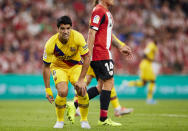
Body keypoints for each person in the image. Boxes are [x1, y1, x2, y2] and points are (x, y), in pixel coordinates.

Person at [77, 0, 132, 126]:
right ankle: (103, 119)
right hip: (100, 53)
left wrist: (120, 46)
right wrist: (87, 54)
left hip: (103, 53)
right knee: (108, 83)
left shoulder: (106, 12)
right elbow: (91, 33)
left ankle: (74, 104)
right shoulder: (99, 10)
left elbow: (108, 34)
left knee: (101, 86)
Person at [66, 35, 133, 122]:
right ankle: (76, 105)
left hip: (95, 56)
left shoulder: (102, 24)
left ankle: (75, 105)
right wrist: (121, 45)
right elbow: (105, 35)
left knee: (101, 85)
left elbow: (107, 36)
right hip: (99, 57)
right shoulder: (101, 22)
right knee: (105, 83)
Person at [42, 16, 91, 129]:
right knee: (63, 91)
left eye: (68, 28)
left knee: (82, 90)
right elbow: (45, 67)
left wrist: (81, 80)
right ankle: (59, 121)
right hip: (58, 68)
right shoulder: (50, 43)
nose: (65, 31)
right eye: (62, 28)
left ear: (71, 28)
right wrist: (47, 89)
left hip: (75, 66)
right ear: (57, 29)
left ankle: (84, 120)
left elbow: (87, 57)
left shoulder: (78, 37)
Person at [127, 37, 158, 104]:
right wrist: (150, 59)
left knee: (144, 83)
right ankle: (149, 99)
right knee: (152, 81)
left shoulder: (153, 45)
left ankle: (127, 84)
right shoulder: (152, 45)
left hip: (144, 64)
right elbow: (145, 53)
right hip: (146, 64)